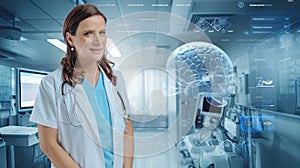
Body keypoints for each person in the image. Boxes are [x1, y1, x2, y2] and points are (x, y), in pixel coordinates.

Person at [30, 4, 134, 168]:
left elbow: (127, 127)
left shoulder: (116, 79)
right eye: (88, 33)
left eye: (102, 33)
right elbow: (48, 144)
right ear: (71, 39)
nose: (98, 41)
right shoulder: (52, 84)